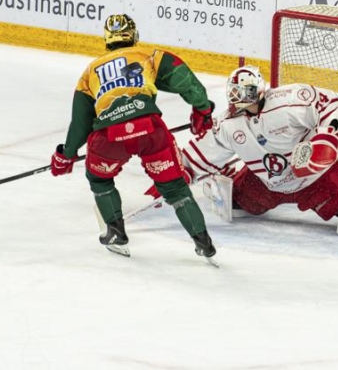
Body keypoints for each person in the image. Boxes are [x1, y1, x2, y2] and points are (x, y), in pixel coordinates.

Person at [49, 14, 217, 259]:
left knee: (99, 179)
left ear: (106, 39)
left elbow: (81, 122)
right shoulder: (149, 56)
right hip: (150, 129)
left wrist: (67, 153)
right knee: (175, 189)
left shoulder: (90, 72)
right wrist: (202, 109)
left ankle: (116, 232)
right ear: (134, 36)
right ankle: (203, 242)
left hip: (109, 136)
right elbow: (186, 81)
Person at [180, 66, 338, 221]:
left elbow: (332, 105)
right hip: (265, 185)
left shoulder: (289, 100)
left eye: (243, 92)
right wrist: (179, 173)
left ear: (259, 91)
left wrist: (328, 136)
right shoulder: (228, 124)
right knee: (238, 201)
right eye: (234, 92)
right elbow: (202, 153)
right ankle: (228, 175)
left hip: (316, 180)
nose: (237, 97)